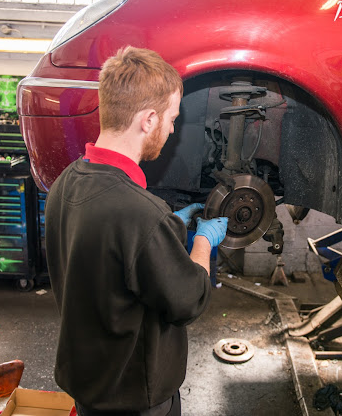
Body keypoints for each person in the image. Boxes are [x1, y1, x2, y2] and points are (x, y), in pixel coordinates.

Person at [45, 46, 228, 416]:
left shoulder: (66, 182)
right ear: (147, 120)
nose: (174, 128)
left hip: (88, 387)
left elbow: (108, 252)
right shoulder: (142, 216)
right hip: (134, 397)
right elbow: (189, 300)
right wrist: (204, 242)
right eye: (172, 118)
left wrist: (163, 228)